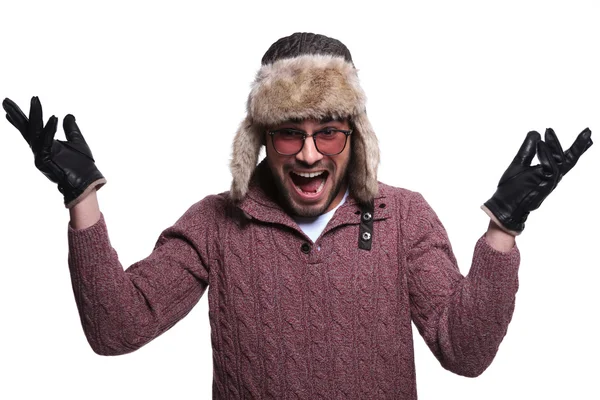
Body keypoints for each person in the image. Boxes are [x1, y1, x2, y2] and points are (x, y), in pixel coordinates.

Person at [2, 32, 593, 399]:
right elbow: (115, 330)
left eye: (328, 132)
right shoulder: (215, 223)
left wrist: (504, 229)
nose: (309, 154)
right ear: (262, 139)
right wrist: (82, 201)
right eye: (290, 134)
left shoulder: (403, 218)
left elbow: (464, 353)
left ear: (353, 136)